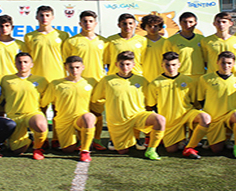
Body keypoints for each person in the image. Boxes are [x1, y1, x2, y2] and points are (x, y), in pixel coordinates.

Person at [91, 51, 166, 160]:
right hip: (119, 121)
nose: (125, 67)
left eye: (128, 64)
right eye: (122, 64)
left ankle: (151, 150)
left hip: (138, 116)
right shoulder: (107, 80)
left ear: (133, 65)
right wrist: (113, 104)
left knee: (160, 120)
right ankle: (122, 139)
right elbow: (97, 98)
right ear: (116, 65)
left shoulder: (141, 80)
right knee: (123, 151)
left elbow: (149, 100)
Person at [147, 52, 211, 159]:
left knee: (205, 118)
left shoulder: (188, 80)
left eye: (173, 65)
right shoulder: (155, 83)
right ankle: (177, 139)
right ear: (162, 65)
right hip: (170, 120)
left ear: (179, 65)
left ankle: (189, 147)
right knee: (172, 150)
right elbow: (151, 105)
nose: (170, 68)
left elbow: (194, 102)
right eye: (167, 65)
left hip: (187, 113)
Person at [61, 10, 108, 150]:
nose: (88, 24)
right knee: (80, 113)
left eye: (90, 21)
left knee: (98, 113)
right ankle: (81, 140)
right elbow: (66, 62)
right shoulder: (71, 41)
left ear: (95, 23)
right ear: (80, 23)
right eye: (85, 21)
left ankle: (97, 140)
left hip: (98, 81)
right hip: (79, 82)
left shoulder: (104, 42)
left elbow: (107, 62)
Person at [41, 56, 97, 162]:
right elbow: (44, 102)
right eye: (71, 67)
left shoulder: (90, 82)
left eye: (77, 67)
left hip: (80, 118)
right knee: (68, 150)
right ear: (66, 68)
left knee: (89, 117)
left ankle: (85, 150)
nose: (74, 70)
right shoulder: (56, 84)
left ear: (83, 67)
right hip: (64, 120)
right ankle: (78, 140)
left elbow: (97, 99)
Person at [0, 52, 49, 160]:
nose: (22, 64)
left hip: (32, 113)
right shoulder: (6, 80)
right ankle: (28, 140)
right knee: (17, 151)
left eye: (26, 62)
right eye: (19, 62)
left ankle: (37, 148)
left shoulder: (41, 80)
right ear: (15, 64)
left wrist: (42, 115)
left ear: (31, 64)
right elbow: (1, 99)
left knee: (41, 125)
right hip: (14, 116)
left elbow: (45, 100)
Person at [197, 51, 236, 158]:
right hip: (214, 118)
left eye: (229, 63)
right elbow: (201, 99)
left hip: (230, 115)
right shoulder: (205, 79)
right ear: (217, 62)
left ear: (234, 63)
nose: (226, 66)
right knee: (216, 150)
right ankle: (219, 139)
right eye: (223, 63)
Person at [24, 6, 70, 82]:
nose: (44, 18)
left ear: (52, 17)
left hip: (58, 75)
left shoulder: (63, 35)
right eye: (41, 15)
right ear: (37, 17)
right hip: (36, 75)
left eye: (47, 15)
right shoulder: (29, 36)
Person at [167, 12, 205, 77]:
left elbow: (206, 58)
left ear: (195, 23)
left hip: (200, 75)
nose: (188, 25)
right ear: (180, 23)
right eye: (184, 22)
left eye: (191, 22)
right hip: (180, 75)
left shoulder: (202, 39)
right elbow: (167, 61)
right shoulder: (171, 40)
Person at [141, 14, 170, 82]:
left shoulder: (167, 42)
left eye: (155, 26)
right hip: (144, 78)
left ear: (160, 27)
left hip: (163, 78)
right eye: (149, 26)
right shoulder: (140, 41)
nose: (152, 28)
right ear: (144, 27)